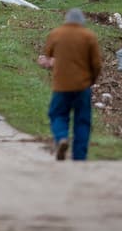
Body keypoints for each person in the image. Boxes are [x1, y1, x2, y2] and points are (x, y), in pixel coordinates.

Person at [37, 8, 102, 161]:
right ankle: (79, 157)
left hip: (61, 86)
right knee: (82, 121)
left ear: (66, 20)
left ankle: (61, 138)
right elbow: (97, 64)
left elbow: (49, 56)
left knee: (57, 114)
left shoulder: (56, 34)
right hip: (82, 86)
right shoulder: (89, 36)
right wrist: (92, 80)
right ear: (82, 21)